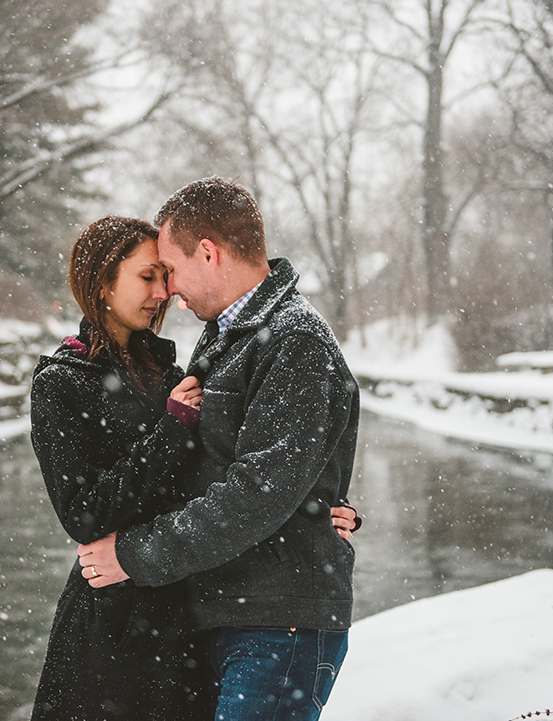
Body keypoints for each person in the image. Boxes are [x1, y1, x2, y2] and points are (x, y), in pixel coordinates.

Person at [29, 215, 359, 721]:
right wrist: (172, 430)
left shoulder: (174, 372)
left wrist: (316, 509)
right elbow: (85, 515)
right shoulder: (62, 381)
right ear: (100, 282)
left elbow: (238, 472)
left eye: (165, 274)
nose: (163, 291)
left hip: (188, 613)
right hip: (117, 620)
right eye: (147, 276)